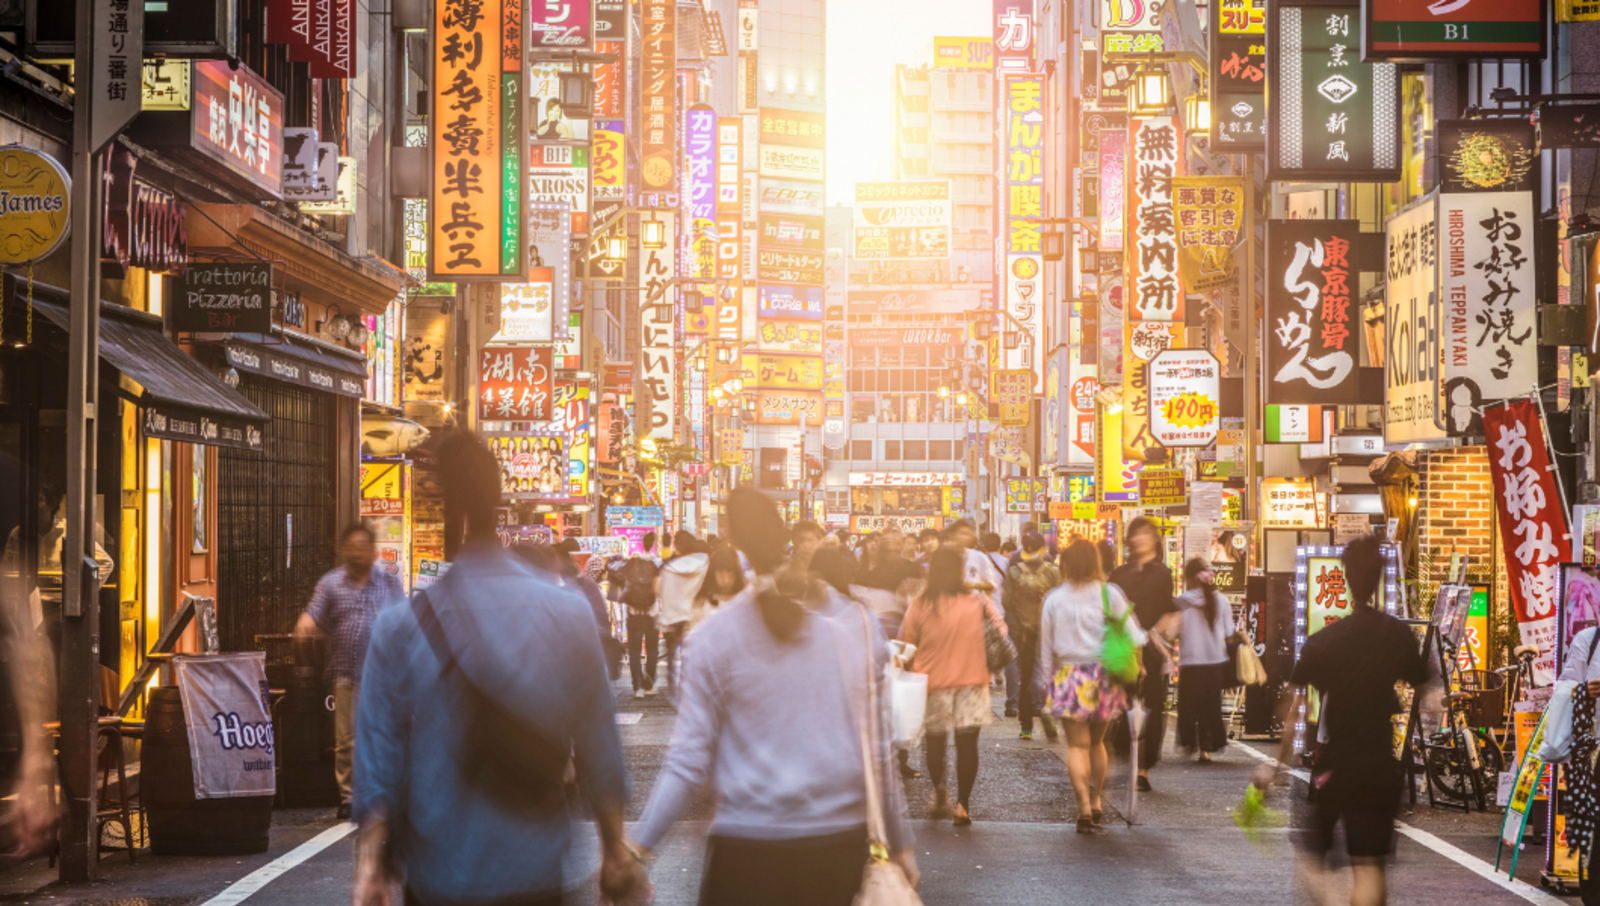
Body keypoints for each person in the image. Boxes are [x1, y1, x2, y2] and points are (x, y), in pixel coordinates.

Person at [353, 429, 648, 906]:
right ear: (498, 496)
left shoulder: (400, 628)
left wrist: (371, 867)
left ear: (441, 507)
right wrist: (614, 849)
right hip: (534, 872)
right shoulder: (566, 614)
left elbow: (378, 759)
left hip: (437, 877)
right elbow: (599, 746)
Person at [633, 488, 917, 904]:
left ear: (735, 541)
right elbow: (878, 749)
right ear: (788, 538)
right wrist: (901, 844)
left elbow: (688, 763)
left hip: (745, 853)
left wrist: (636, 850)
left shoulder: (712, 636)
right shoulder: (855, 623)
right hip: (836, 850)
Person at [1258, 534, 1427, 906]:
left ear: (1345, 577)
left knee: (1313, 860)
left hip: (1337, 766)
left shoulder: (1323, 641)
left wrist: (1274, 769)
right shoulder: (1397, 634)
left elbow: (1292, 712)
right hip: (1383, 764)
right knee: (1370, 866)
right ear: (1380, 579)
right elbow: (1428, 693)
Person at [294, 521, 403, 819]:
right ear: (343, 551)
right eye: (351, 547)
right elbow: (314, 610)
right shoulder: (331, 583)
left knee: (381, 734)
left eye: (362, 547)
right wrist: (306, 621)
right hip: (345, 672)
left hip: (383, 674)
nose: (356, 553)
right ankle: (349, 797)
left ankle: (380, 792)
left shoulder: (389, 583)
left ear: (373, 552)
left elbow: (404, 621)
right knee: (346, 739)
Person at [1040, 539, 1144, 833]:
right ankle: (1097, 801)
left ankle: (1083, 807)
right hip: (1105, 677)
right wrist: (1137, 667)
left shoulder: (1054, 599)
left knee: (1077, 746)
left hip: (1068, 676)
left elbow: (1046, 648)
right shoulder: (1110, 594)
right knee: (1098, 743)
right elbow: (1135, 637)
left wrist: (1045, 681)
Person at [899, 546, 1005, 826]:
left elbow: (907, 642)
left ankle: (938, 791)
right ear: (959, 569)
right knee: (967, 746)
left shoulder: (921, 603)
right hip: (971, 683)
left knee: (934, 743)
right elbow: (1000, 629)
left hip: (933, 683)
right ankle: (962, 806)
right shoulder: (977, 599)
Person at [1108, 516, 1175, 792]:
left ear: (1155, 540)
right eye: (1136, 534)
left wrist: (1155, 634)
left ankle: (1145, 768)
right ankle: (1121, 750)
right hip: (1122, 648)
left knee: (1153, 705)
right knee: (1121, 703)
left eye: (1146, 534)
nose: (1140, 539)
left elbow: (1168, 610)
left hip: (1150, 647)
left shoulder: (1163, 574)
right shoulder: (1119, 574)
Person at [1172, 558, 1245, 761]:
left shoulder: (1182, 602)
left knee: (1188, 706)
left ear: (1188, 578)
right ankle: (1207, 747)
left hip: (1189, 661)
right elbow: (1229, 632)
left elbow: (1174, 631)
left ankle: (1189, 743)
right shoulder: (1220, 600)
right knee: (1210, 706)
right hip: (1214, 662)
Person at [1005, 531, 1061, 741]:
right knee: (1050, 674)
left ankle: (1026, 725)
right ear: (1041, 548)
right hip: (1051, 632)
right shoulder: (1054, 572)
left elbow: (1007, 603)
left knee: (1026, 677)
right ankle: (1049, 714)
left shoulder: (1014, 571)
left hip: (1024, 632)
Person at [657, 537, 710, 697]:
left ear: (678, 549)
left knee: (672, 655)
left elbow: (661, 591)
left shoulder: (668, 568)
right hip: (692, 615)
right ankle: (689, 684)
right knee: (691, 654)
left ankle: (674, 686)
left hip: (672, 617)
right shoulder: (704, 564)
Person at [619, 533, 663, 699]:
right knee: (652, 650)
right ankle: (649, 685)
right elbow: (657, 590)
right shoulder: (656, 563)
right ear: (653, 544)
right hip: (650, 615)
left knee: (635, 652)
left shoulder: (632, 564)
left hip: (634, 615)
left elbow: (624, 587)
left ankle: (637, 688)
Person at [690, 546, 744, 634]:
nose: (726, 581)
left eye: (730, 574)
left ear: (736, 574)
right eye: (720, 574)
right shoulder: (702, 604)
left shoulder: (745, 601)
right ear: (713, 573)